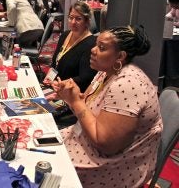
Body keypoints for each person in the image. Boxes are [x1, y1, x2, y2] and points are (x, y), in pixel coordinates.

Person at [46, 25, 162, 188]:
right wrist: (71, 97)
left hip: (109, 167)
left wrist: (76, 102)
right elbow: (85, 108)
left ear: (120, 56)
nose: (93, 50)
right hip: (82, 141)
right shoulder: (104, 72)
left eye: (101, 48)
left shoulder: (128, 85)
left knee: (42, 168)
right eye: (96, 45)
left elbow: (106, 144)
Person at [44, 1, 96, 92]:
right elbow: (55, 62)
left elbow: (84, 78)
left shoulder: (91, 44)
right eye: (71, 18)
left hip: (71, 93)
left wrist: (61, 84)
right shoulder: (65, 35)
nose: (73, 22)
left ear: (87, 21)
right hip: (55, 86)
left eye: (78, 19)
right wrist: (49, 78)